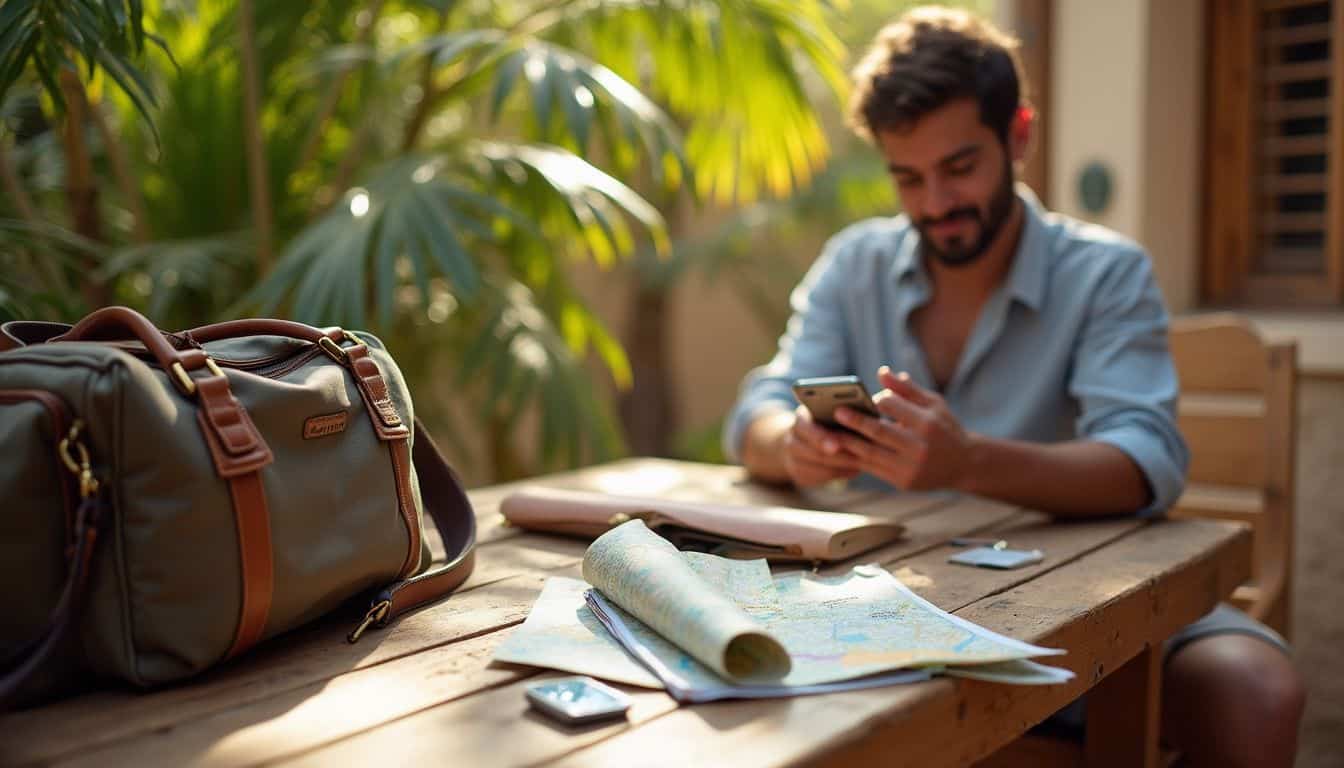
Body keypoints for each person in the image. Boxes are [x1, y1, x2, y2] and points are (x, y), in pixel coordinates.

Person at [721, 7, 1305, 767]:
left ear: (1019, 135)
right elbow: (756, 413)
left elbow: (1145, 464)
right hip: (885, 609)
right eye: (907, 177)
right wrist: (793, 449)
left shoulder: (1105, 272)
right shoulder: (851, 265)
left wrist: (967, 463)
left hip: (1099, 607)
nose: (934, 203)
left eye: (959, 167)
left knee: (1252, 691)